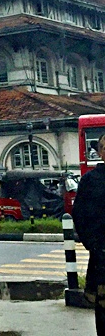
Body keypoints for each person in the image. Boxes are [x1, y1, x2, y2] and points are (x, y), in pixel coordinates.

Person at [72, 133, 105, 335]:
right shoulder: (90, 181)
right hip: (103, 255)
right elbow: (80, 215)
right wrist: (93, 244)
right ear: (101, 152)